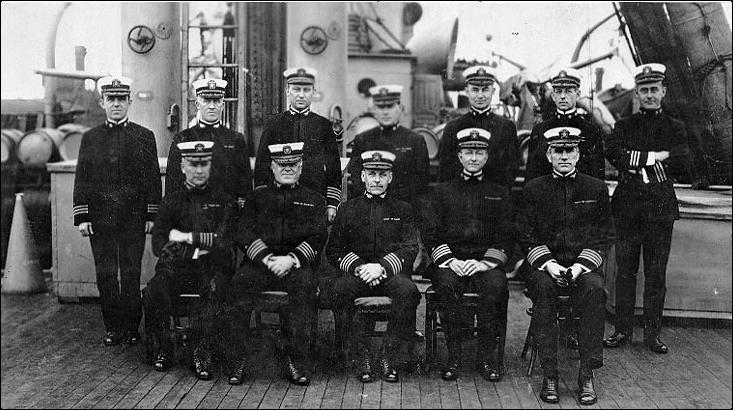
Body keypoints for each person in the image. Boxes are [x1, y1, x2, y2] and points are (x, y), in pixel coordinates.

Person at [517, 127, 614, 405]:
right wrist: (548, 264)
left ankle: (586, 373)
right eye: (557, 151)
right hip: (544, 268)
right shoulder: (534, 189)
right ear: (548, 155)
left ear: (578, 154)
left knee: (596, 290)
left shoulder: (595, 188)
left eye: (569, 150)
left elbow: (604, 234)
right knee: (544, 291)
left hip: (581, 267)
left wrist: (581, 266)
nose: (563, 156)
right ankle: (550, 374)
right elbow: (525, 233)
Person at [603, 63, 690, 354]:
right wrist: (655, 156)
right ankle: (622, 331)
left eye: (655, 89)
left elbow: (681, 160)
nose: (650, 95)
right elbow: (614, 152)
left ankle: (652, 335)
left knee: (656, 274)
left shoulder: (675, 127)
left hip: (660, 211)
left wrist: (636, 159)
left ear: (663, 91)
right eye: (644, 90)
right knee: (625, 272)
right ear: (637, 93)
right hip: (627, 210)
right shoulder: (625, 125)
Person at [226, 142, 327, 386]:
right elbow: (244, 232)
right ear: (272, 166)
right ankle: (238, 359)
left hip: (296, 265)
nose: (288, 169)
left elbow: (317, 237)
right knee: (238, 286)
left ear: (301, 166)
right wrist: (268, 259)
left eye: (293, 164)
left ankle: (296, 360)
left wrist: (291, 259)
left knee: (304, 290)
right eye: (282, 165)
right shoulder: (257, 197)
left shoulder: (314, 200)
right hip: (261, 264)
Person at [73, 75, 161, 346]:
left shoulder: (144, 137)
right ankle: (113, 328)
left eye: (121, 99)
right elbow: (83, 178)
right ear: (102, 102)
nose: (116, 104)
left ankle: (132, 328)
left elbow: (152, 179)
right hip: (101, 221)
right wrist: (82, 215)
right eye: (111, 99)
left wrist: (151, 214)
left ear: (130, 101)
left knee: (132, 274)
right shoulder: (91, 138)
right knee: (107, 275)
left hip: (132, 219)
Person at [423, 128, 514, 382]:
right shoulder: (441, 192)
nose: (473, 158)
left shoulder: (500, 192)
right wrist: (451, 261)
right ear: (459, 156)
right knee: (446, 285)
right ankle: (454, 356)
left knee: (496, 286)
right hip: (450, 262)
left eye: (479, 153)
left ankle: (485, 357)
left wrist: (484, 263)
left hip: (484, 263)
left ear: (486, 157)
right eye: (468, 152)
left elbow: (506, 234)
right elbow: (431, 233)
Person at [143, 141, 237, 379]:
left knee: (215, 289)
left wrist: (183, 237)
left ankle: (201, 351)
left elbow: (224, 243)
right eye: (193, 164)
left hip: (211, 269)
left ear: (211, 166)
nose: (198, 170)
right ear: (183, 166)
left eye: (204, 163)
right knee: (154, 290)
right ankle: (164, 347)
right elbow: (159, 244)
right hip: (175, 269)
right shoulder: (170, 202)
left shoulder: (225, 202)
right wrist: (198, 247)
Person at [327, 150, 421, 384]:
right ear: (362, 177)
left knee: (409, 292)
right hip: (358, 274)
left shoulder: (403, 209)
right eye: (372, 174)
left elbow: (410, 249)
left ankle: (387, 356)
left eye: (382, 174)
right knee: (339, 290)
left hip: (389, 274)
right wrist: (360, 267)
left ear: (391, 177)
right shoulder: (347, 209)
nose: (377, 179)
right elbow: (334, 250)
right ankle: (362, 356)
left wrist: (381, 268)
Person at [254, 67, 342, 223]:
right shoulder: (274, 124)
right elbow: (262, 165)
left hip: (315, 198)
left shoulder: (323, 125)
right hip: (279, 200)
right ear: (287, 91)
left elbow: (334, 168)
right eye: (296, 89)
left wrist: (332, 203)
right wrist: (263, 199)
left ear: (313, 92)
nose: (301, 95)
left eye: (306, 90)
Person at [166, 78, 251, 207]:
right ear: (197, 104)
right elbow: (173, 184)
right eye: (206, 100)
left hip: (226, 214)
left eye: (216, 101)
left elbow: (244, 186)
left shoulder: (236, 139)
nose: (212, 106)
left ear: (222, 105)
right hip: (191, 213)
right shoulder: (183, 138)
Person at [438, 65, 519, 189]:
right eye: (475, 90)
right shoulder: (453, 127)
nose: (480, 95)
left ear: (493, 91)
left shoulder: (506, 127)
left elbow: (511, 168)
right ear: (467, 92)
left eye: (485, 90)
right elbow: (445, 169)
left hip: (493, 199)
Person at [346, 85, 430, 203]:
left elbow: (421, 180)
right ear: (374, 110)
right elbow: (356, 176)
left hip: (404, 207)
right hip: (370, 206)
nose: (385, 112)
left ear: (400, 108)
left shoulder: (415, 140)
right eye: (380, 107)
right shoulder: (362, 139)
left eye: (390, 106)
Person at [524, 67, 606, 183]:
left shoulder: (590, 130)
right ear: (553, 96)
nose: (562, 96)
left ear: (578, 94)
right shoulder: (540, 130)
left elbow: (597, 176)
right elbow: (531, 175)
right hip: (548, 197)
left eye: (568, 91)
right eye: (558, 91)